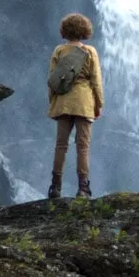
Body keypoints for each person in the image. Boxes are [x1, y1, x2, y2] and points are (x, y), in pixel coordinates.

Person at [47, 13, 103, 199]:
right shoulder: (90, 51)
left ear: (65, 30)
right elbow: (96, 81)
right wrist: (99, 104)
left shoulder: (58, 51)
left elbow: (52, 81)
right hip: (84, 102)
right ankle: (83, 189)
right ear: (85, 30)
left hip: (63, 102)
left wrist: (53, 102)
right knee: (83, 147)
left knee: (61, 145)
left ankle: (55, 187)